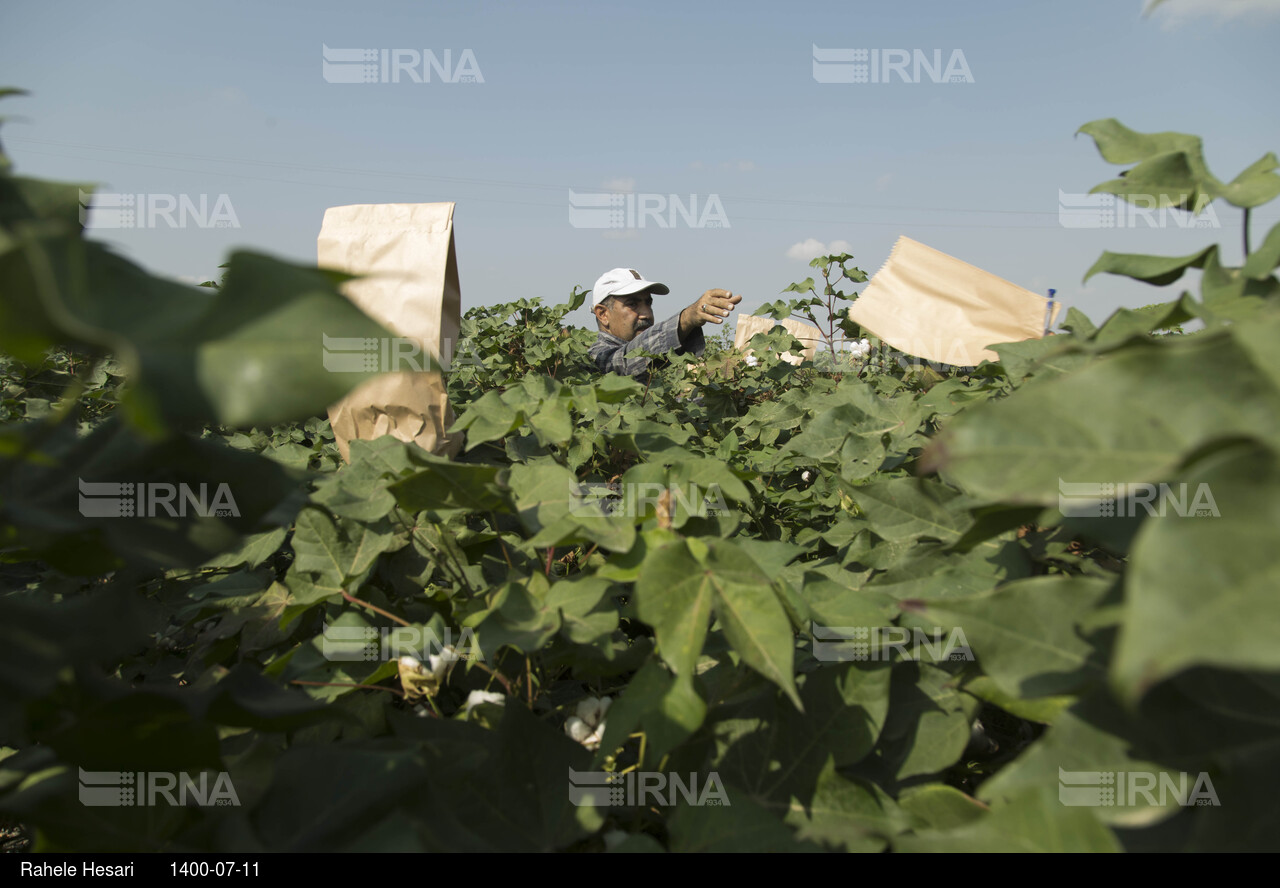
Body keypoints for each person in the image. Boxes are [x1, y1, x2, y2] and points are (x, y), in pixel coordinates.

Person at [587, 267, 742, 379]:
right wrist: (686, 319)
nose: (646, 314)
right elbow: (622, 363)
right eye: (632, 304)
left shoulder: (654, 365)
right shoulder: (596, 358)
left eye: (648, 303)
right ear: (603, 314)